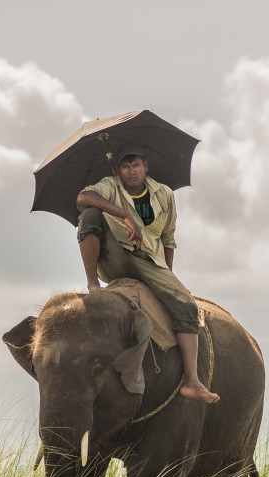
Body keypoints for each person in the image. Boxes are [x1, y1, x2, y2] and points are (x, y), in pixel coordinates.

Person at [76, 142, 220, 404]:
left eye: (136, 165)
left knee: (186, 305)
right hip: (116, 254)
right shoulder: (109, 186)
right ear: (117, 170)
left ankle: (191, 380)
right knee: (89, 214)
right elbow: (84, 197)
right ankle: (91, 283)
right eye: (125, 166)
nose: (131, 171)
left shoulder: (163, 194)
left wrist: (167, 278)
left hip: (149, 259)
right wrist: (123, 214)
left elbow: (168, 238)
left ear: (146, 167)